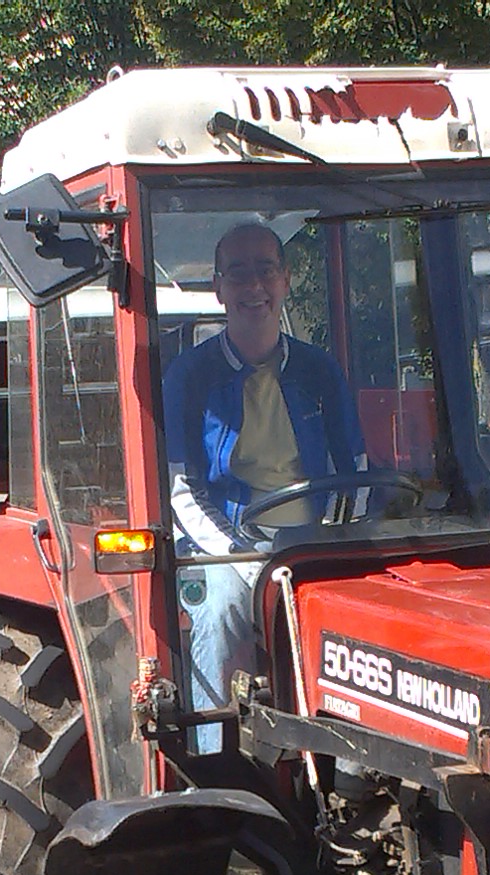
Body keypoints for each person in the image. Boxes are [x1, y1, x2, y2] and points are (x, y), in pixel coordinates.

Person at [160, 222, 366, 744]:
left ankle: (351, 756)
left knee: (368, 607)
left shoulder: (319, 371)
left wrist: (337, 540)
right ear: (219, 287)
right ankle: (217, 763)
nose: (255, 286)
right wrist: (240, 555)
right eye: (239, 273)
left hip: (312, 539)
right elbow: (181, 488)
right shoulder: (190, 376)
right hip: (227, 544)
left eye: (266, 270)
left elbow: (355, 472)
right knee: (224, 605)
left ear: (286, 280)